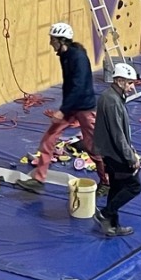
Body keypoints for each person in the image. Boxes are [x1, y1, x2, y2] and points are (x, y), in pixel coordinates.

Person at [29, 22, 98, 187]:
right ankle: (38, 179)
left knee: (92, 147)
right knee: (48, 139)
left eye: (53, 40)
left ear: (61, 41)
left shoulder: (78, 57)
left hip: (84, 107)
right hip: (70, 107)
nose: (50, 43)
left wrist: (62, 110)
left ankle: (106, 180)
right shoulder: (64, 55)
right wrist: (66, 109)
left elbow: (78, 87)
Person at [93, 62, 141, 237]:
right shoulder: (112, 101)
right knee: (134, 187)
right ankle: (105, 214)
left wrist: (131, 149)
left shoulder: (112, 96)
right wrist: (131, 157)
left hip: (110, 152)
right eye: (130, 83)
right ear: (120, 81)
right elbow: (117, 134)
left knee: (116, 187)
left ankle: (112, 225)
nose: (132, 87)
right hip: (115, 154)